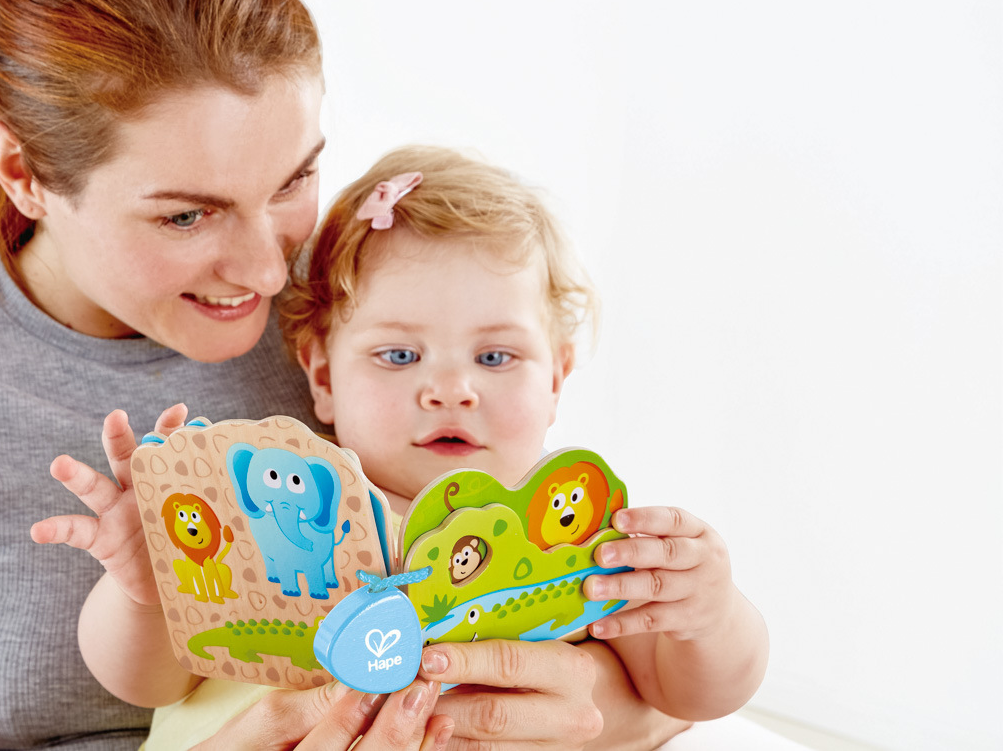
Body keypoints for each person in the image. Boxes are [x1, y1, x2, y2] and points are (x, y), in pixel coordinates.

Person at [0, 0, 687, 749]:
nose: (271, 271)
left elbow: (612, 652)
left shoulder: (360, 322)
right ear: (23, 172)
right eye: (187, 216)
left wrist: (575, 701)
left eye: (292, 181)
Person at [39, 146, 767, 750]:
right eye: (399, 355)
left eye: (495, 357)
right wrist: (147, 589)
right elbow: (143, 682)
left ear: (556, 379)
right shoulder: (270, 505)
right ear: (324, 377)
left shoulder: (571, 533)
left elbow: (692, 695)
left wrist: (708, 615)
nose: (450, 391)